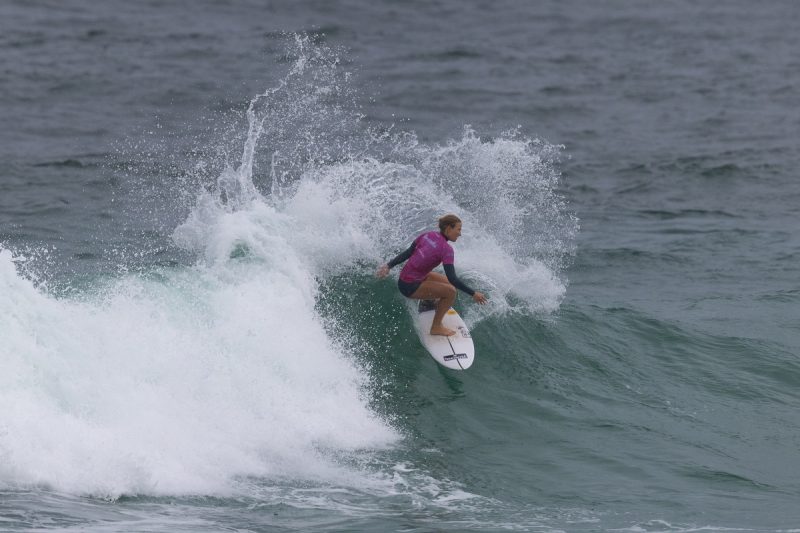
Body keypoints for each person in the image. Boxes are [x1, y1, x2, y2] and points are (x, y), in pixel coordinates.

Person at [376, 214, 487, 336]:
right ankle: (436, 327)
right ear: (448, 228)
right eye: (458, 229)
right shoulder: (446, 249)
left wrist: (389, 266)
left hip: (405, 279)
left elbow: (408, 253)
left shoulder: (427, 235)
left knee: (447, 283)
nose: (460, 233)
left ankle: (428, 301)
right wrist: (473, 293)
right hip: (410, 287)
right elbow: (453, 278)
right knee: (451, 292)